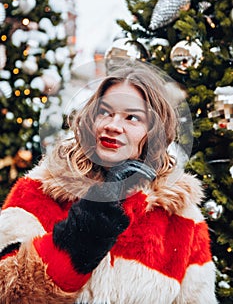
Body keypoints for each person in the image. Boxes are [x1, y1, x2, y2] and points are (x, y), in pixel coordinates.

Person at [0, 60, 218, 303]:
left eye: (132, 117)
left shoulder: (181, 218)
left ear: (154, 132)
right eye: (105, 112)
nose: (113, 126)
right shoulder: (40, 191)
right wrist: (78, 239)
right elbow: (8, 290)